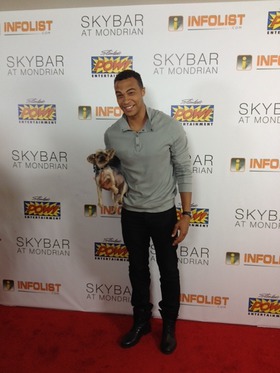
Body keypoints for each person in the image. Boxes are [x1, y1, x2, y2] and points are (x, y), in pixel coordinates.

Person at [104, 70, 192, 354]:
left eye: (130, 92)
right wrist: (108, 181)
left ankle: (169, 325)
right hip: (132, 214)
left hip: (164, 213)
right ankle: (141, 321)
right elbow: (116, 176)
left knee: (168, 270)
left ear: (142, 91)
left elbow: (183, 170)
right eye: (119, 94)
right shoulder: (112, 134)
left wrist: (186, 214)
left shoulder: (169, 126)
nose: (125, 100)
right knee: (137, 270)